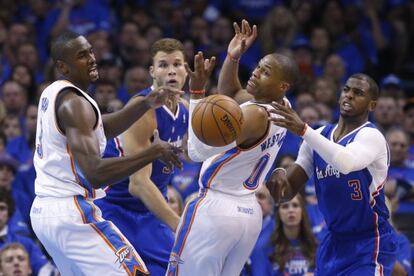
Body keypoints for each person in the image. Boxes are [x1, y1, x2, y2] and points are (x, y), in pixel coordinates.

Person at [29, 31, 183, 276]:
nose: (91, 58)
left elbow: (102, 127)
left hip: (46, 212)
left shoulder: (56, 91)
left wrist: (144, 103)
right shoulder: (75, 104)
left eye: (90, 51)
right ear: (63, 66)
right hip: (71, 212)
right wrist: (152, 152)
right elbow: (95, 174)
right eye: (81, 55)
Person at [167, 19, 299, 275]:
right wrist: (233, 57)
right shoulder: (281, 106)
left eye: (265, 72)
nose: (256, 73)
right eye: (259, 67)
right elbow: (231, 93)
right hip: (248, 212)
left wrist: (195, 94)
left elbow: (196, 152)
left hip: (216, 209)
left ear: (282, 86)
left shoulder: (254, 117)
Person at [267, 73, 398, 275]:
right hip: (333, 241)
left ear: (372, 105)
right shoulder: (318, 136)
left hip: (370, 241)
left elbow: (346, 162)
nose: (350, 96)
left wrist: (303, 130)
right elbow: (287, 192)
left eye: (358, 93)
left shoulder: (371, 136)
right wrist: (278, 174)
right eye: (346, 90)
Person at [95, 38, 199, 276]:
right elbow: (138, 184)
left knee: (185, 268)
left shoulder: (184, 109)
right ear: (152, 71)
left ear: (186, 70)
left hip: (150, 212)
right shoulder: (144, 109)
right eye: (163, 65)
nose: (171, 70)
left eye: (177, 64)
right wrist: (180, 225)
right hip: (115, 208)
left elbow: (192, 154)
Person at [250, 193, 317, 276]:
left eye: (295, 205)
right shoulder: (264, 247)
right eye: (285, 206)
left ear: (302, 211)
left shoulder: (316, 245)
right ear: (278, 213)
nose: (291, 210)